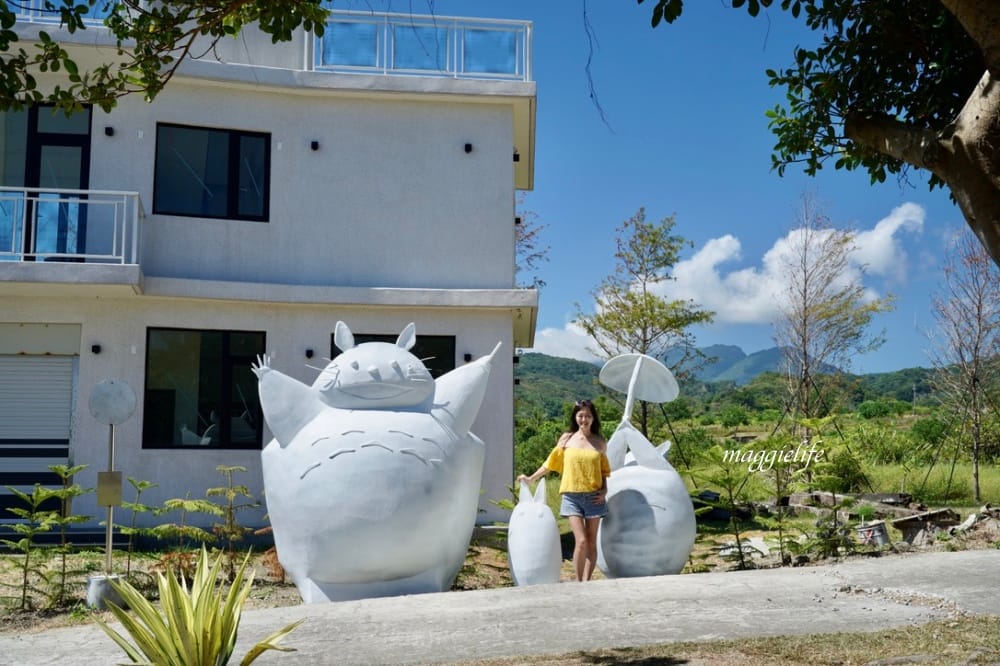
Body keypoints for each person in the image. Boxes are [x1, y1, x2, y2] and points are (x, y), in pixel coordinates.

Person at [517, 399, 610, 581]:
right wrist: (530, 479)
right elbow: (551, 463)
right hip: (572, 496)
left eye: (588, 416)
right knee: (581, 541)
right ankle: (578, 581)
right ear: (575, 417)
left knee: (591, 542)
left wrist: (605, 490)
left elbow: (603, 471)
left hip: (594, 497)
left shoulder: (599, 442)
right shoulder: (566, 439)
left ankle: (587, 582)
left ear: (593, 419)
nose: (584, 419)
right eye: (581, 415)